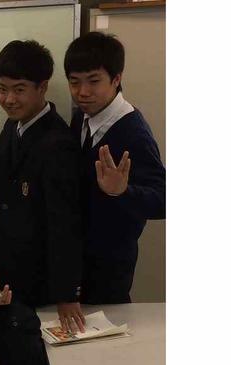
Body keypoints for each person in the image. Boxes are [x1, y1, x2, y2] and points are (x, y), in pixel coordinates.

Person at [0, 40, 86, 334]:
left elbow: (64, 224)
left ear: (42, 87)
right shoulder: (12, 126)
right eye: (3, 89)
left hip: (36, 278)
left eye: (19, 89)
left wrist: (67, 294)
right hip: (5, 267)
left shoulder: (58, 143)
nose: (9, 99)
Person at [64, 32, 166, 304]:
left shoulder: (133, 131)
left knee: (107, 328)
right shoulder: (81, 117)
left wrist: (122, 191)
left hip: (109, 268)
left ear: (116, 79)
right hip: (77, 259)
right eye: (74, 82)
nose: (83, 92)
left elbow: (163, 199)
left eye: (94, 81)